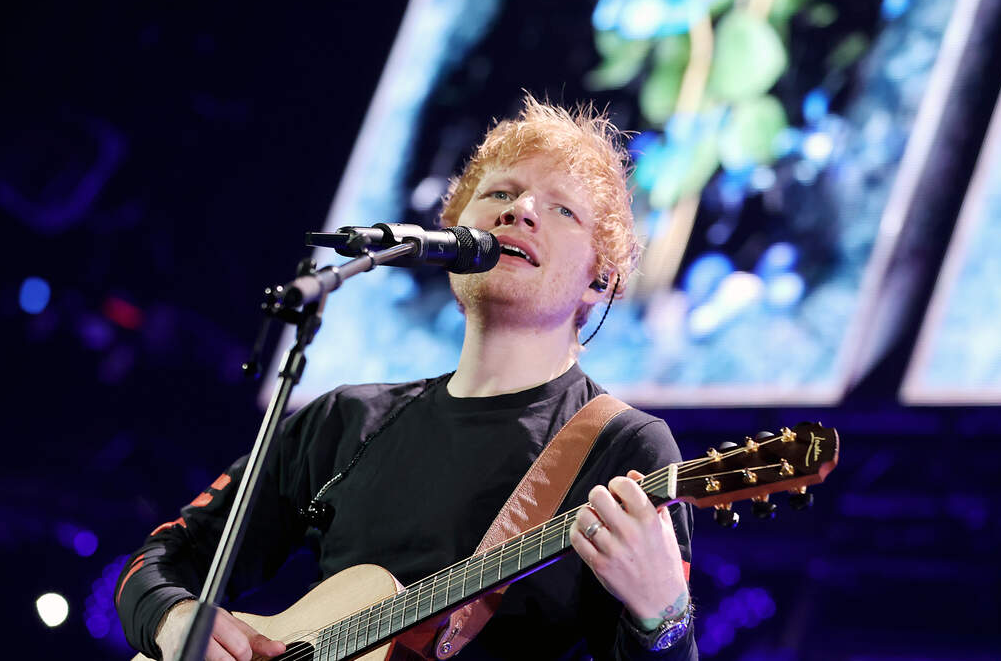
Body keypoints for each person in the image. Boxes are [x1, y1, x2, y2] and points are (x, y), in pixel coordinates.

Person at [115, 96, 697, 660]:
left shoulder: (625, 447)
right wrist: (172, 617)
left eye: (561, 209)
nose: (519, 211)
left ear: (602, 281)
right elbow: (168, 555)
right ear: (453, 233)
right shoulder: (343, 421)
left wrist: (662, 615)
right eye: (499, 192)